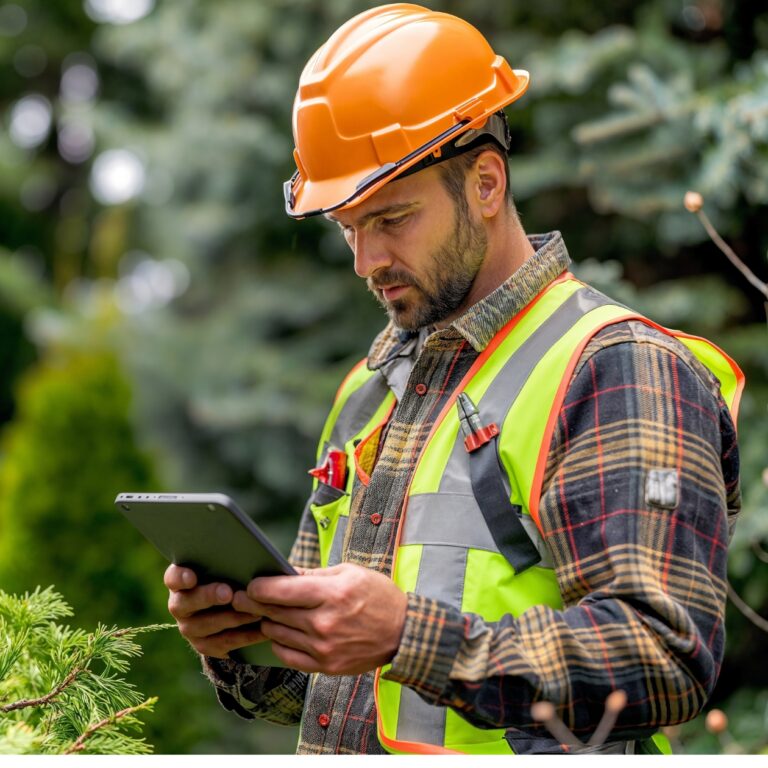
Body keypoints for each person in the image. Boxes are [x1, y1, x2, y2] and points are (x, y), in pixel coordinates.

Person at [164, 4, 743, 755]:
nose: (364, 260)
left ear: (487, 184)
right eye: (347, 227)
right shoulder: (369, 390)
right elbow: (340, 688)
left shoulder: (617, 365)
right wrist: (240, 638)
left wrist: (406, 632)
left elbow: (664, 658)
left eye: (392, 218)